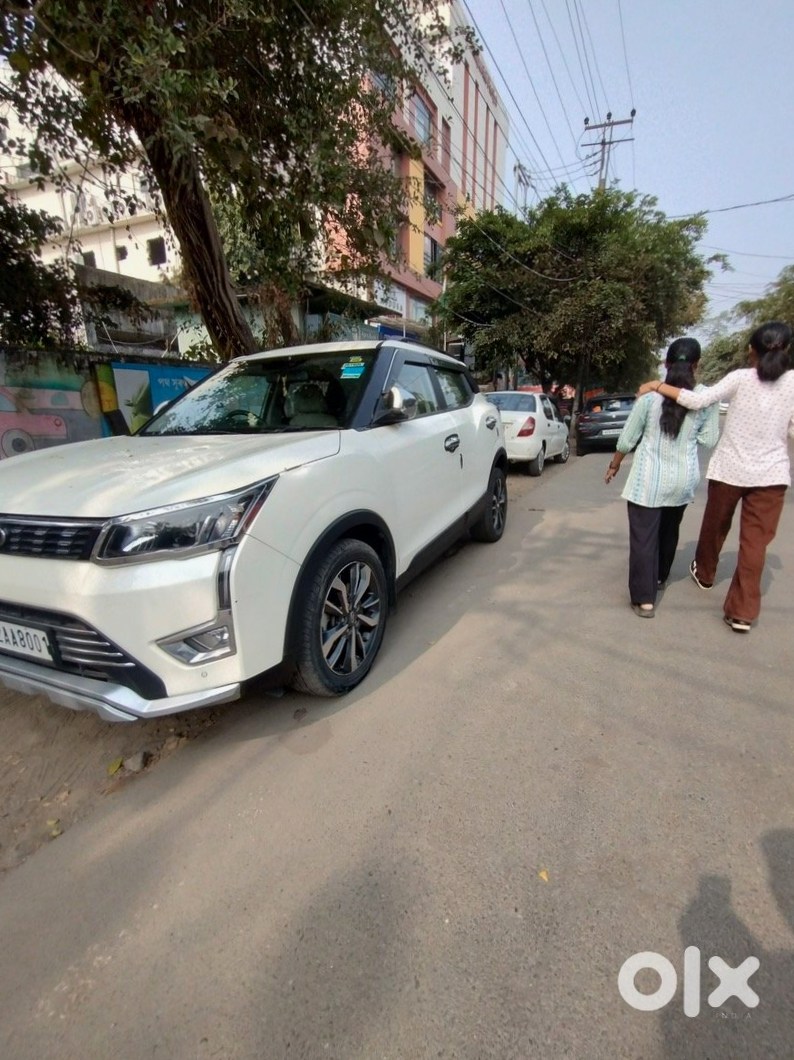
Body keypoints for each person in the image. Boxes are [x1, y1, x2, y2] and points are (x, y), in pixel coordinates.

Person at [637, 320, 794, 633]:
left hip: (730, 470)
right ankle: (742, 613)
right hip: (771, 475)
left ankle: (705, 573)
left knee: (715, 526)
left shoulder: (741, 378)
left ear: (752, 350)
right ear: (786, 349)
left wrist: (657, 385)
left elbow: (696, 400)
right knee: (755, 544)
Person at [606, 338, 719, 617]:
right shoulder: (705, 399)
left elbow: (627, 438)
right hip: (682, 480)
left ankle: (645, 599)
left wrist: (614, 465)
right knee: (669, 531)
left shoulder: (649, 397)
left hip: (648, 480)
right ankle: (659, 577)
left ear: (666, 364)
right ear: (696, 365)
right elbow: (709, 439)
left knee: (644, 538)